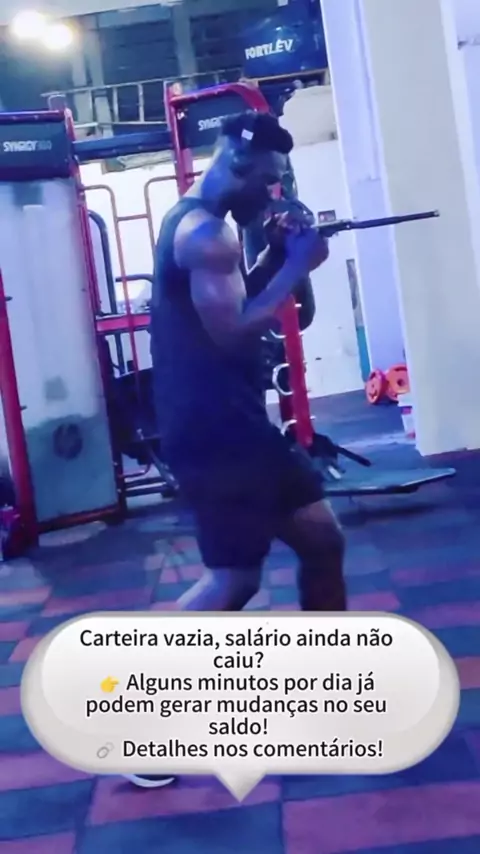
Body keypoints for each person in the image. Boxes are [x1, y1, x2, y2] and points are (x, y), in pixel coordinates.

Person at [126, 111, 346, 789]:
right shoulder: (204, 233)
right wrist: (298, 264)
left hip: (238, 421)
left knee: (322, 539)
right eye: (270, 182)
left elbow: (236, 299)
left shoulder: (209, 225)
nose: (274, 194)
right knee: (235, 580)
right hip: (214, 430)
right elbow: (233, 330)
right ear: (241, 169)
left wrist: (279, 257)